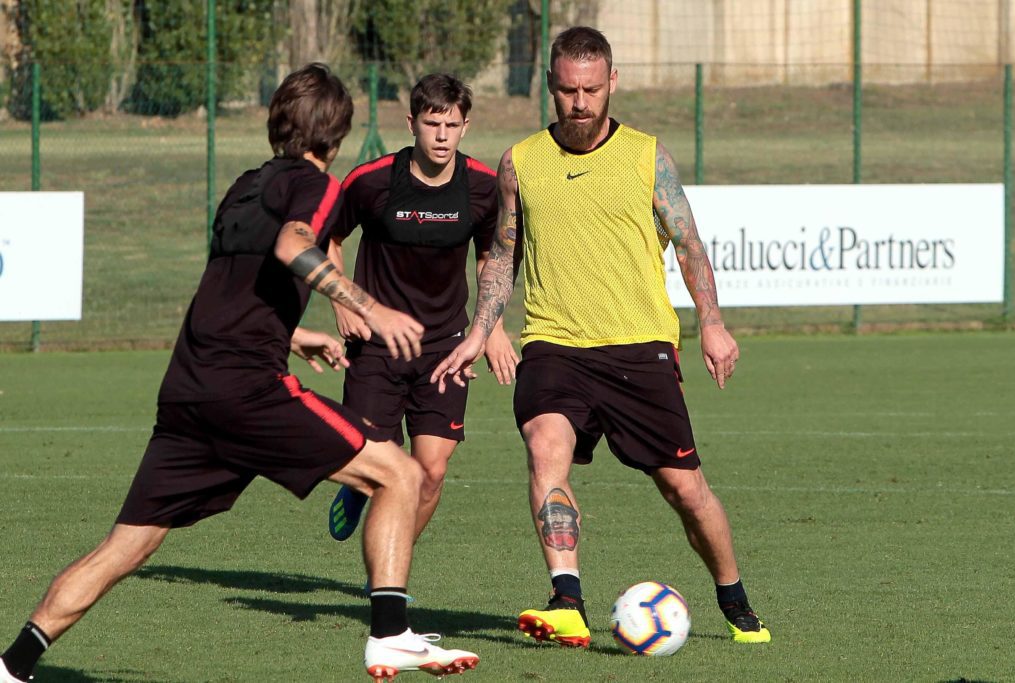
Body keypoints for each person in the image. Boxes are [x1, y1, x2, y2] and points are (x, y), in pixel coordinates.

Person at [0, 64, 478, 683]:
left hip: (187, 389)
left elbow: (232, 281)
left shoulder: (244, 185)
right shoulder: (316, 184)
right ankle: (390, 636)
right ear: (335, 134)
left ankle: (13, 666)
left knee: (128, 546)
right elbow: (291, 247)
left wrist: (296, 333)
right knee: (401, 475)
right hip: (246, 390)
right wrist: (370, 306)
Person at [432, 27, 771, 647]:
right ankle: (566, 599)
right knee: (545, 449)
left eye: (590, 89)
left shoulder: (647, 156)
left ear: (611, 82)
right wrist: (482, 330)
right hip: (554, 345)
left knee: (686, 489)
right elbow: (503, 255)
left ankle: (735, 599)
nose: (579, 102)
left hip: (639, 347)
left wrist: (713, 324)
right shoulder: (522, 161)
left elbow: (690, 243)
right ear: (551, 87)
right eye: (567, 90)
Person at [324, 73, 518, 547]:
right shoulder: (371, 182)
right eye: (432, 124)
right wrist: (341, 300)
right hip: (377, 344)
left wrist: (490, 328)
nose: (441, 136)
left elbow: (491, 257)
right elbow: (328, 238)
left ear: (465, 126)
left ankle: (391, 566)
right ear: (412, 123)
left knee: (430, 471)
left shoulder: (482, 187)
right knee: (375, 464)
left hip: (444, 348)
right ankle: (357, 490)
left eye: (451, 125)